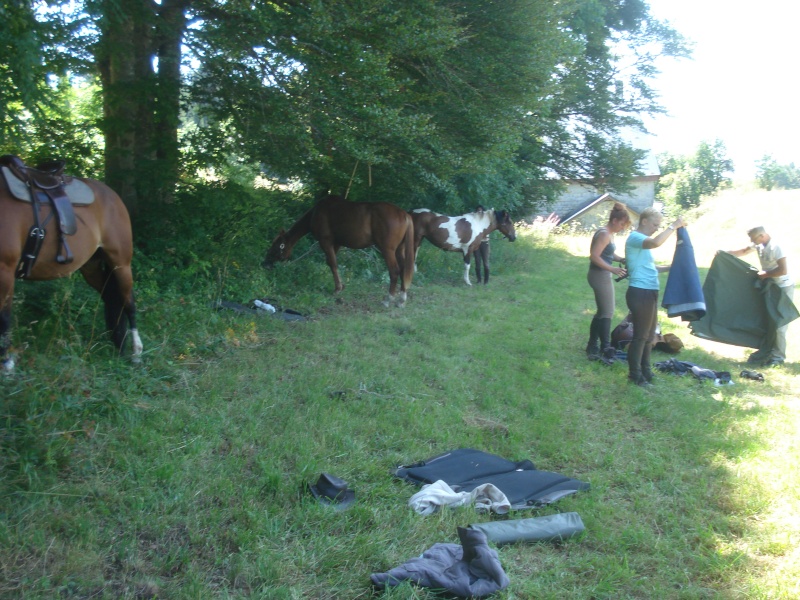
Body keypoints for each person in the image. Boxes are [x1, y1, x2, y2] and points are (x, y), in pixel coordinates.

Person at [625, 208, 685, 386]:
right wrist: (673, 226)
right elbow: (656, 243)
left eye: (659, 225)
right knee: (641, 336)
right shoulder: (636, 238)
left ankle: (646, 371)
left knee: (650, 336)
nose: (657, 228)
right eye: (655, 224)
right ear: (644, 221)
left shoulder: (642, 243)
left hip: (649, 291)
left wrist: (671, 267)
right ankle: (635, 375)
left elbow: (651, 267)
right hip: (640, 291)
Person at [726, 226, 794, 366]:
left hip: (783, 287)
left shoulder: (776, 247)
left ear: (762, 235)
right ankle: (769, 351)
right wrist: (725, 254)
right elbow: (744, 251)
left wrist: (766, 274)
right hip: (770, 286)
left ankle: (778, 357)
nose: (753, 242)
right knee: (768, 321)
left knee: (780, 324)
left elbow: (783, 270)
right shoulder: (759, 245)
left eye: (754, 239)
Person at [586, 202, 630, 362]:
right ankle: (605, 348)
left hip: (601, 274)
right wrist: (613, 269)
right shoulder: (604, 234)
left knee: (602, 312)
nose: (623, 228)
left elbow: (608, 254)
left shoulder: (608, 233)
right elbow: (594, 256)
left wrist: (622, 259)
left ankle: (592, 345)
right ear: (614, 221)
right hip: (599, 275)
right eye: (622, 224)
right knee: (607, 312)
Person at [474, 205, 491, 284]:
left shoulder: (486, 221)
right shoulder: (474, 222)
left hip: (485, 243)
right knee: (477, 262)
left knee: (485, 262)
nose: (479, 212)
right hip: (477, 243)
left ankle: (486, 281)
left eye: (481, 211)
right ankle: (479, 280)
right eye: (478, 211)